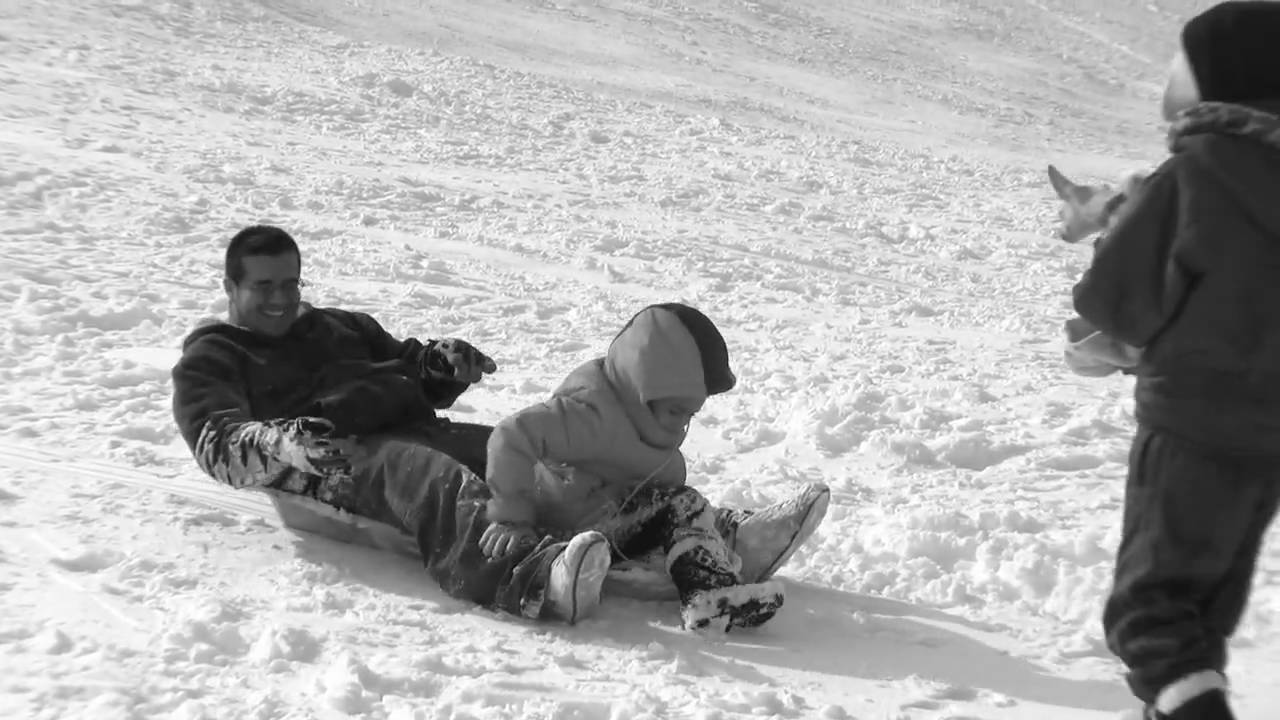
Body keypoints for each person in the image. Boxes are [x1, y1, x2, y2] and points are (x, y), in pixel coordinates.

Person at [171, 224, 828, 625]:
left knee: (530, 466)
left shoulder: (336, 326)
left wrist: (439, 365)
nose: (284, 298)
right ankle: (531, 578)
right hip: (336, 458)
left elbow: (406, 367)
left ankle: (692, 531)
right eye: (265, 288)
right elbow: (216, 441)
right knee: (436, 481)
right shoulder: (214, 357)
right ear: (231, 288)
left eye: (291, 282)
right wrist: (285, 440)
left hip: (408, 425)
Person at [1070, 3, 1280, 718]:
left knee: (1151, 616)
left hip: (1191, 427)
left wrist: (1113, 234)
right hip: (1268, 442)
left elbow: (1116, 303)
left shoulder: (1193, 174)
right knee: (1203, 615)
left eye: (1180, 63)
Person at [481, 303, 827, 632]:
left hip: (609, 521)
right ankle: (708, 590)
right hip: (566, 532)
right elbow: (512, 436)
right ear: (642, 392)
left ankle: (737, 542)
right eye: (674, 411)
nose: (681, 426)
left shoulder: (647, 430)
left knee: (681, 506)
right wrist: (512, 516)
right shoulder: (591, 414)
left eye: (689, 414)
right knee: (682, 504)